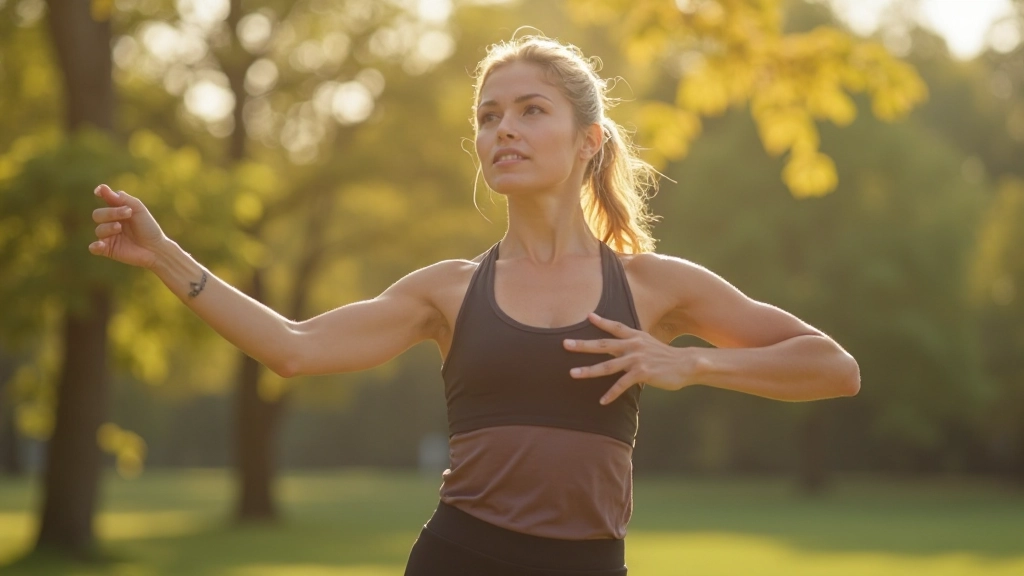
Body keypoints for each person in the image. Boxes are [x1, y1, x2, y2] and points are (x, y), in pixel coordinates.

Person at [89, 35, 859, 576]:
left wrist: (687, 363)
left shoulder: (655, 286)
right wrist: (162, 255)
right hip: (460, 557)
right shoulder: (449, 290)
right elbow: (294, 347)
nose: (502, 131)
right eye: (488, 117)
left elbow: (833, 368)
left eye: (529, 111)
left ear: (588, 140)